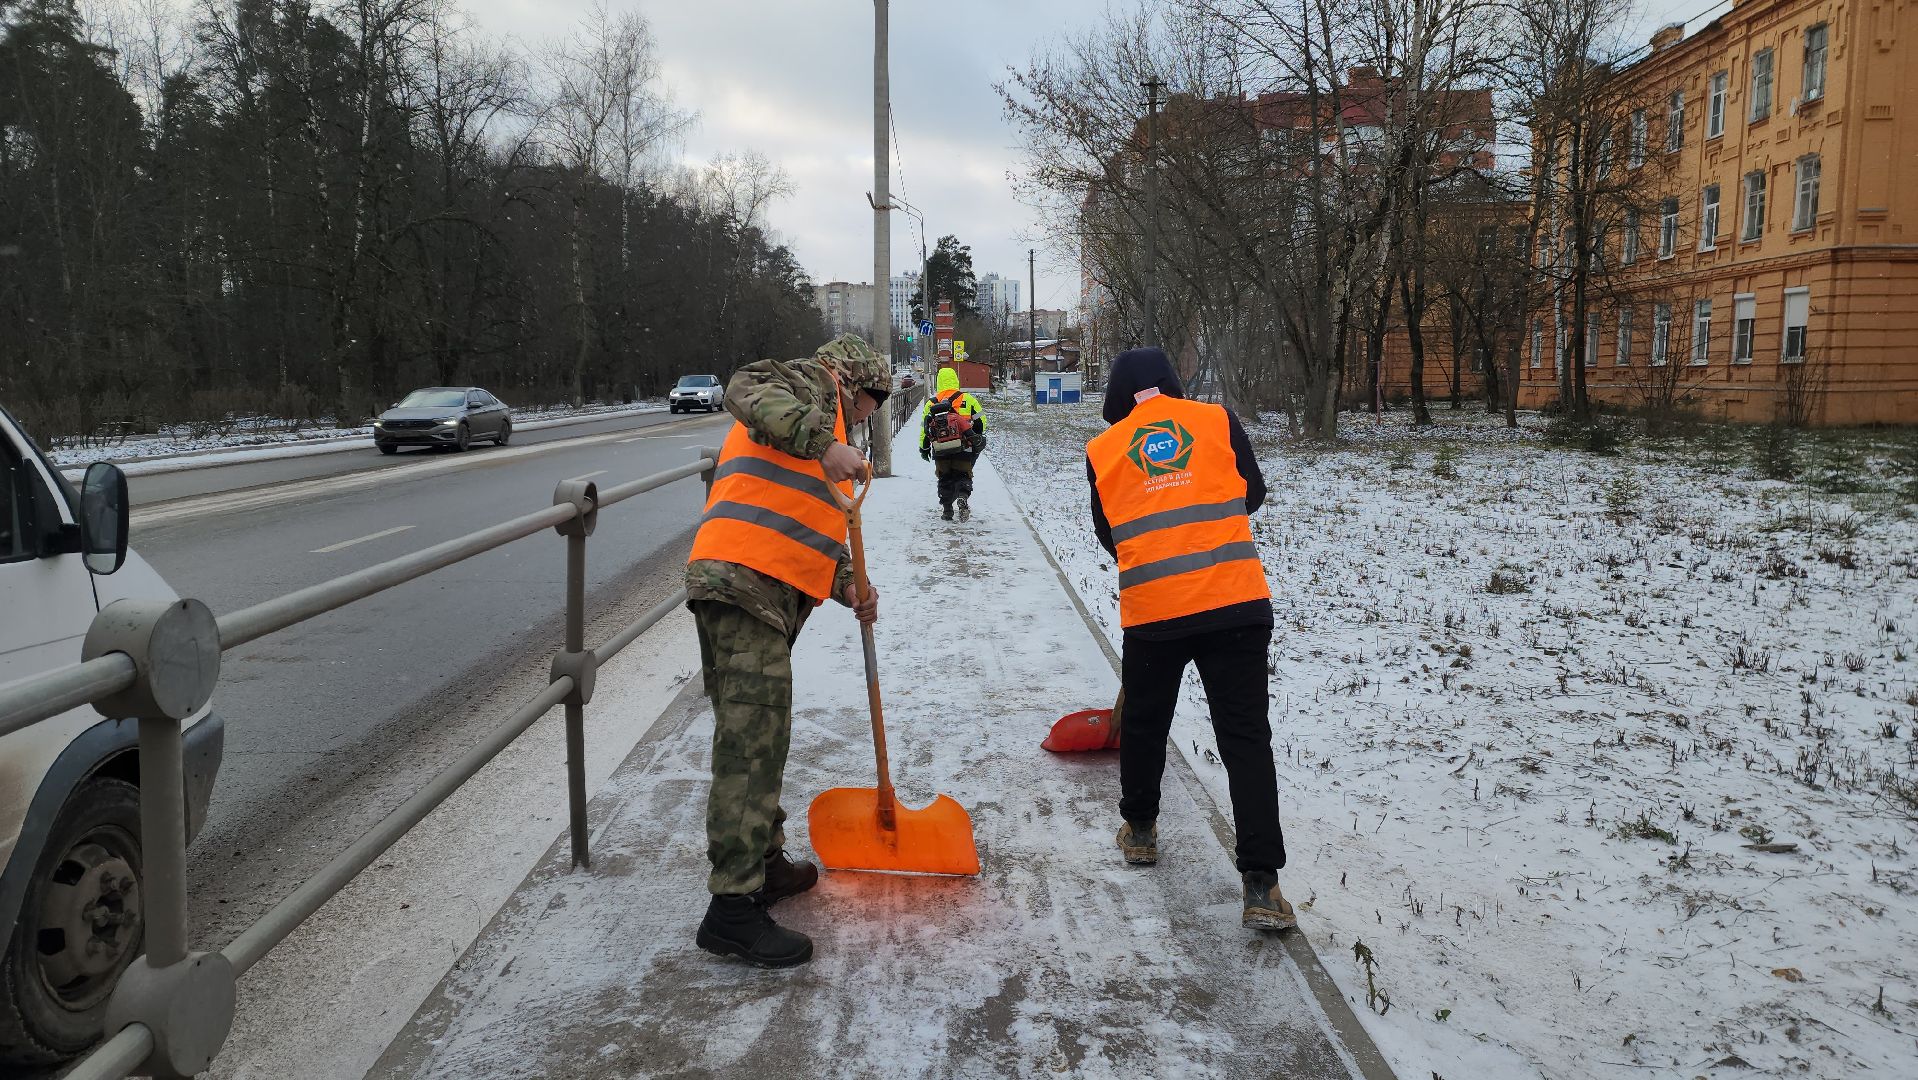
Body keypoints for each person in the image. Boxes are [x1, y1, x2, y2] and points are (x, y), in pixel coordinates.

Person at [684, 334, 893, 967]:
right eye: (869, 402)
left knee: (761, 735)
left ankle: (765, 863)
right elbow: (744, 386)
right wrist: (828, 441)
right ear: (851, 380)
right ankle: (732, 911)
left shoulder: (821, 431)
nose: (866, 416)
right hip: (739, 583)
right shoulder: (805, 386)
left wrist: (847, 582)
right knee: (750, 743)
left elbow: (796, 521)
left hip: (758, 589)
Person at [1083, 347, 1293, 932]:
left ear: (1117, 400)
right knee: (1246, 738)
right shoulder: (1217, 420)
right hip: (1236, 602)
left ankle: (1141, 831)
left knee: (1146, 724)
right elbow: (1252, 492)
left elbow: (1109, 531)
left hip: (1156, 612)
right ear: (1172, 384)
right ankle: (1260, 886)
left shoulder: (1104, 450)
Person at [919, 366, 988, 521]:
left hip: (940, 448)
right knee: (963, 474)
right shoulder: (968, 399)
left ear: (939, 382)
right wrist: (974, 437)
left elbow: (924, 429)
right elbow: (981, 421)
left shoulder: (931, 403)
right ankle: (963, 496)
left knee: (944, 477)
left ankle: (947, 510)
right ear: (956, 380)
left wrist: (924, 448)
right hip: (963, 447)